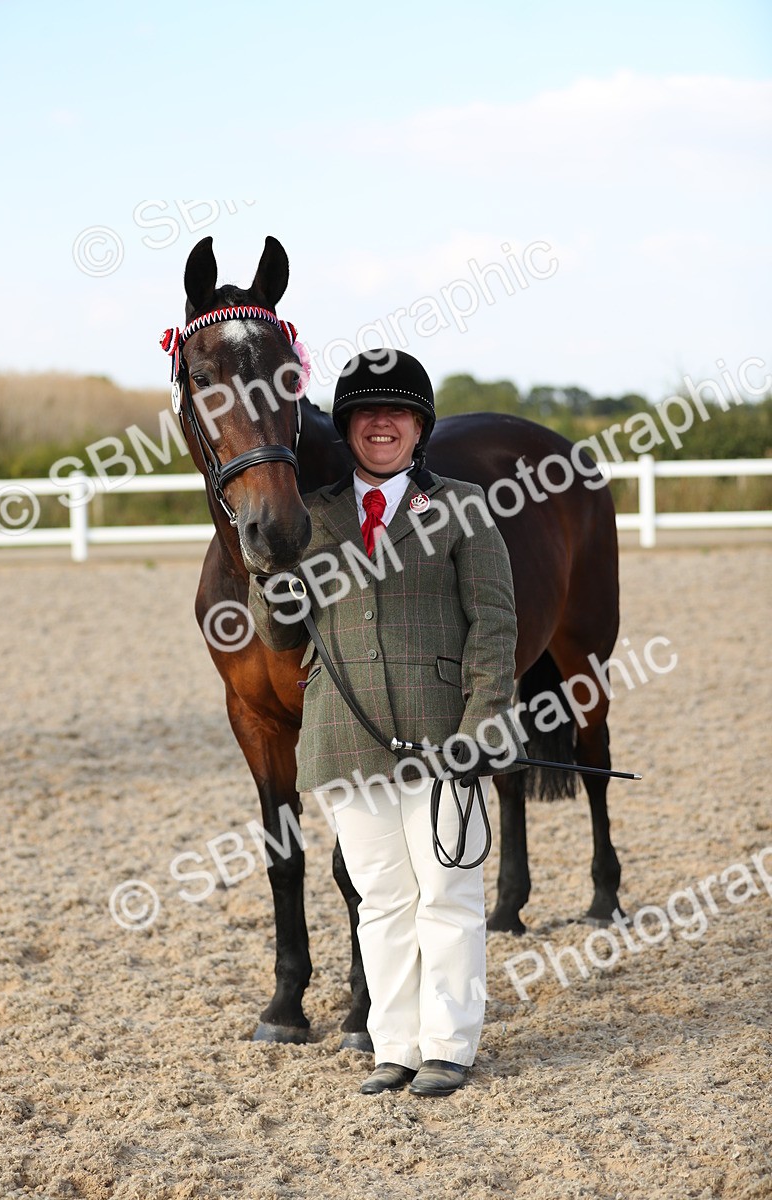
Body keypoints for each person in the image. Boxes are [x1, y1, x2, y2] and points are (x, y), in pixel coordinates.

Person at [249, 349, 524, 1097]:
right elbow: (281, 636)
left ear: (419, 427)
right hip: (345, 735)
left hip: (446, 734)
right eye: (367, 414)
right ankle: (395, 1045)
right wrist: (267, 568)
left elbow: (496, 625)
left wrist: (483, 723)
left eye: (396, 413)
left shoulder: (463, 506)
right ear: (348, 426)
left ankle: (451, 1046)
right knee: (383, 900)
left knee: (449, 894)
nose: (381, 425)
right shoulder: (313, 517)